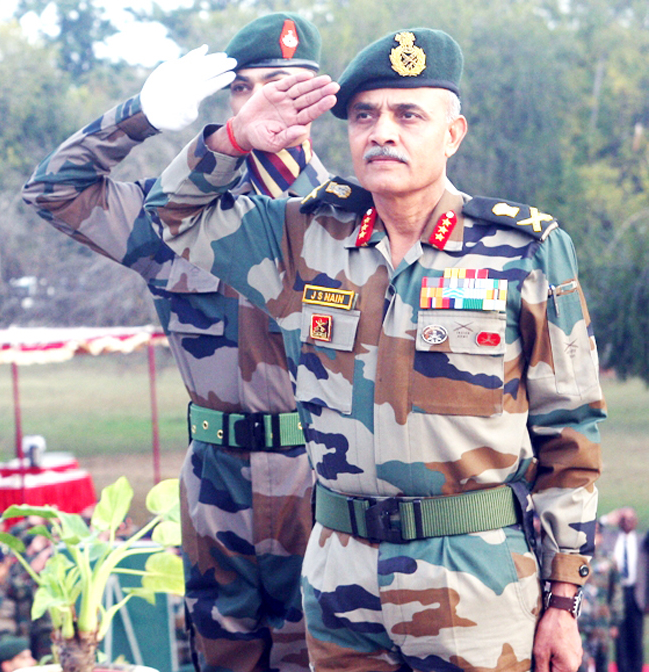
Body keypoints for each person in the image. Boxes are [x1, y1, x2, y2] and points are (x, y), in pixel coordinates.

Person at [143, 27, 604, 672]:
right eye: (364, 116)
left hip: (476, 579)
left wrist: (563, 600)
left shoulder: (522, 250)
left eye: (408, 114)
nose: (382, 132)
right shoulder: (306, 236)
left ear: (453, 133)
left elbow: (570, 432)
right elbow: (173, 215)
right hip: (341, 580)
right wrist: (234, 140)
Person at [22, 13, 328, 672]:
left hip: (323, 474)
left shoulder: (353, 213)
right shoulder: (171, 216)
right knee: (222, 653)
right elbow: (53, 190)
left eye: (281, 85)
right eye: (243, 88)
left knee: (321, 654)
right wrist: (143, 116)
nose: (261, 102)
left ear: (316, 98)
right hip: (217, 482)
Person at [579, 525, 623, 672]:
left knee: (602, 663)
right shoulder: (576, 558)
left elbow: (616, 592)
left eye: (596, 533)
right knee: (580, 663)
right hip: (580, 623)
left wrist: (615, 622)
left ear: (601, 536)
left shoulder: (609, 560)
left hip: (601, 623)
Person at [609, 507, 644, 672]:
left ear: (636, 521)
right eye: (624, 519)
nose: (627, 522)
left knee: (636, 637)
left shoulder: (641, 541)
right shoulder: (611, 538)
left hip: (636, 594)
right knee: (619, 637)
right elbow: (596, 528)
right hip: (616, 594)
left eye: (631, 519)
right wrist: (610, 518)